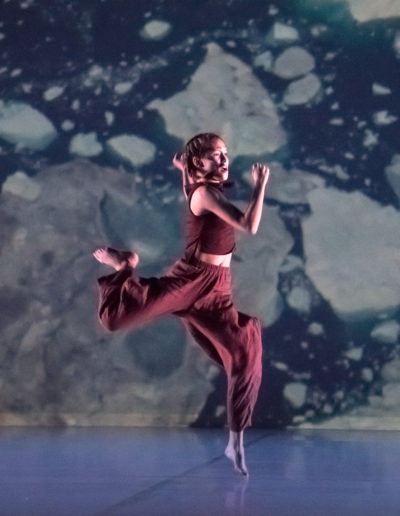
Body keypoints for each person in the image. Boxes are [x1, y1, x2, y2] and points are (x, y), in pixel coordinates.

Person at [93, 133, 270, 476]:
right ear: (199, 162)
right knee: (115, 319)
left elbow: (190, 184)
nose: (224, 160)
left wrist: (183, 170)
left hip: (217, 290)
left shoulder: (201, 188)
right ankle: (125, 264)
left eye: (225, 154)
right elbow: (249, 226)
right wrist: (259, 186)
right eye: (215, 155)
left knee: (245, 355)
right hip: (191, 281)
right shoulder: (205, 194)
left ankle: (235, 443)